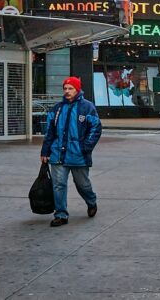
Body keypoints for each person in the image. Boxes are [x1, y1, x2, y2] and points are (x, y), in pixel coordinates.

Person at [40, 77, 102, 227]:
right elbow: (49, 132)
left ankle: (91, 201)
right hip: (57, 154)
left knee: (82, 184)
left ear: (77, 89)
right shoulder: (57, 109)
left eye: (70, 88)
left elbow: (96, 128)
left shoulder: (87, 107)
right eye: (65, 88)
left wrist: (85, 148)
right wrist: (45, 151)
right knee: (58, 185)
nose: (67, 91)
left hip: (78, 155)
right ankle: (61, 214)